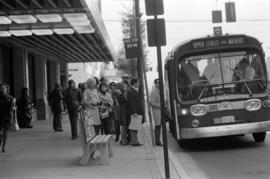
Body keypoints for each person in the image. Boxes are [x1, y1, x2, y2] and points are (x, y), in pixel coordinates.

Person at [127, 78, 144, 146]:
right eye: (138, 83)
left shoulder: (133, 90)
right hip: (135, 112)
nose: (139, 84)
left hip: (137, 111)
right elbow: (131, 103)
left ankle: (135, 140)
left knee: (135, 126)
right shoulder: (131, 91)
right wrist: (134, 112)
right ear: (134, 83)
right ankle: (134, 141)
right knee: (134, 127)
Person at [0, 83, 15, 152]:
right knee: (0, 133)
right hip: (0, 117)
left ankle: (3, 147)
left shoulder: (10, 98)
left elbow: (12, 108)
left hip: (8, 117)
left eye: (4, 88)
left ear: (6, 89)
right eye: (1, 88)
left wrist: (12, 118)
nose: (2, 89)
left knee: (5, 133)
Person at [150, 79, 163, 146]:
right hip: (157, 111)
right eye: (158, 83)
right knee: (158, 126)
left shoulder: (159, 90)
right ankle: (157, 141)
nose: (159, 84)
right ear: (155, 83)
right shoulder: (153, 92)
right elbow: (152, 103)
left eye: (160, 83)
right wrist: (161, 105)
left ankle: (158, 140)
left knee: (159, 126)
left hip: (160, 111)